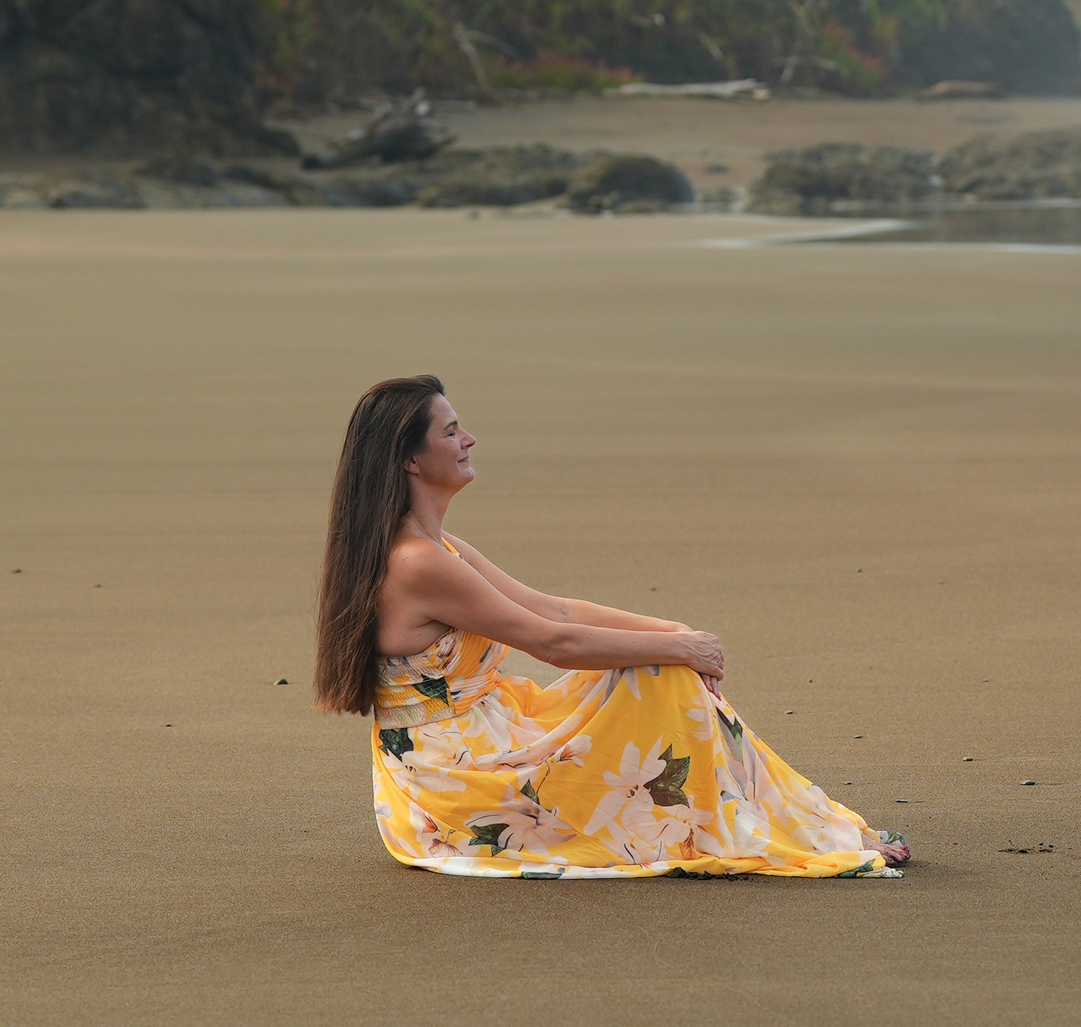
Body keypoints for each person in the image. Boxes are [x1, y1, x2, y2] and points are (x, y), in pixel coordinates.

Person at [313, 374, 911, 878]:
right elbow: (553, 643)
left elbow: (554, 608)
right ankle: (758, 831)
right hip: (455, 782)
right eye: (451, 432)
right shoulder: (417, 563)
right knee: (663, 673)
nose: (470, 439)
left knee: (664, 667)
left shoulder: (438, 547)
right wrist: (678, 649)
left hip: (492, 733)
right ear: (411, 459)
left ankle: (769, 824)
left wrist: (672, 633)